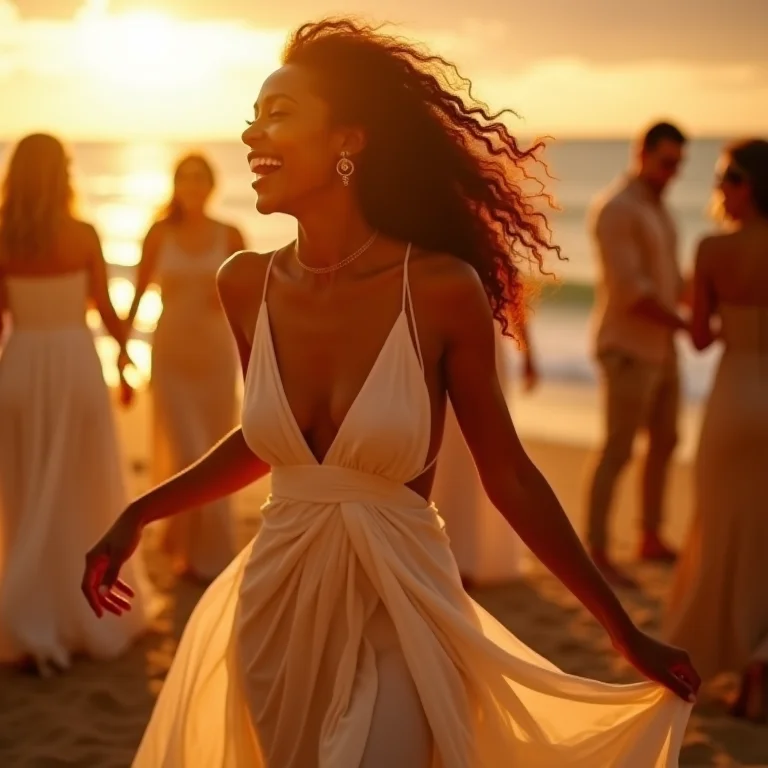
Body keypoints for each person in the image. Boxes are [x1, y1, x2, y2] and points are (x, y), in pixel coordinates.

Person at [83, 21, 698, 766]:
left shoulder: (438, 289)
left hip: (401, 603)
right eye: (253, 113)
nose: (252, 133)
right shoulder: (245, 283)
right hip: (276, 611)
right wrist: (138, 512)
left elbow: (507, 473)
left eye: (279, 113)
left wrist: (619, 628)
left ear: (348, 141)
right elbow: (265, 441)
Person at [0, 134, 160, 677]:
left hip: (20, 366)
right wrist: (124, 361)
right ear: (64, 174)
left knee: (22, 489)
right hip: (74, 366)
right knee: (83, 483)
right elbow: (109, 314)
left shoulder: (3, 235)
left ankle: (27, 610)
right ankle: (86, 606)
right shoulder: (84, 233)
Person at [664, 138, 768, 724]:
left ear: (748, 184)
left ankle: (710, 658)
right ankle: (762, 659)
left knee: (721, 532)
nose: (719, 189)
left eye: (726, 177)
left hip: (732, 402)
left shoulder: (711, 249)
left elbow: (701, 337)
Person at [122, 153, 246, 583]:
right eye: (184, 177)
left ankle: (201, 553)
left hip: (215, 356)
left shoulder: (230, 233)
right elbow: (137, 293)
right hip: (171, 354)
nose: (192, 184)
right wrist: (122, 351)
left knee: (214, 454)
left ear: (211, 184)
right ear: (176, 185)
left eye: (199, 177)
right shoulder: (159, 233)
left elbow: (253, 297)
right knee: (188, 453)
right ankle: (186, 546)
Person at [585, 121, 689, 588]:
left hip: (663, 347)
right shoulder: (616, 209)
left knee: (666, 442)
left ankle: (649, 534)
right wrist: (689, 323)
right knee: (618, 449)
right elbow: (631, 291)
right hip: (627, 346)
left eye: (679, 165)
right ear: (641, 154)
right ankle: (597, 551)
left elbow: (670, 282)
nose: (672, 173)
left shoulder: (658, 209)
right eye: (667, 162)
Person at [431, 319, 538, 586]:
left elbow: (512, 295)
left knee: (479, 448)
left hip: (484, 340)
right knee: (446, 448)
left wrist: (528, 353)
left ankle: (469, 554)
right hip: (439, 336)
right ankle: (443, 547)